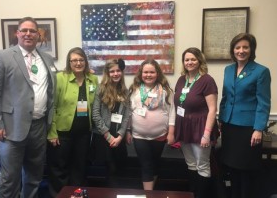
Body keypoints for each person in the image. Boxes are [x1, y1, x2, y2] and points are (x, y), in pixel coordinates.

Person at [0, 16, 57, 198]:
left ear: (38, 35)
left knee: (34, 176)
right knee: (10, 178)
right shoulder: (3, 56)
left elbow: (49, 91)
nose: (28, 34)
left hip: (39, 127)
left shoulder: (47, 59)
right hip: (11, 127)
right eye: (24, 30)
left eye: (32, 31)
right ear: (17, 33)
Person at [219, 33, 271, 198]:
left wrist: (258, 128)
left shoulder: (261, 71)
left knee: (246, 170)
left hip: (248, 129)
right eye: (238, 47)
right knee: (231, 168)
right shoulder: (228, 70)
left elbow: (263, 102)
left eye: (245, 47)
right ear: (233, 50)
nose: (241, 51)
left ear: (251, 49)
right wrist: (221, 119)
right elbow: (225, 96)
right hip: (229, 126)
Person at [47, 47, 98, 196]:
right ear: (69, 62)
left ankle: (76, 195)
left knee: (79, 167)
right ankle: (59, 195)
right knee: (59, 168)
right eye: (74, 60)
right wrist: (51, 132)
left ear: (86, 62)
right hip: (62, 132)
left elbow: (95, 104)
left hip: (83, 133)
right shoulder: (60, 78)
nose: (78, 63)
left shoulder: (92, 79)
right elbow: (52, 106)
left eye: (81, 60)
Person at [174, 47, 218, 198]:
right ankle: (192, 194)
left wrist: (206, 134)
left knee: (203, 165)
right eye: (187, 59)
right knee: (191, 164)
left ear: (199, 61)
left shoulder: (207, 80)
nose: (189, 62)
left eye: (193, 59)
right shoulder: (181, 80)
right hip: (184, 128)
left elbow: (212, 109)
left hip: (201, 129)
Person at [126, 59, 175, 190]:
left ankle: (151, 190)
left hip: (160, 135)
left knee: (155, 164)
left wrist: (171, 133)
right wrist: (128, 131)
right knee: (146, 165)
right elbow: (129, 112)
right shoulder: (134, 90)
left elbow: (172, 112)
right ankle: (149, 194)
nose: (148, 75)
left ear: (157, 73)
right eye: (145, 72)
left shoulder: (166, 90)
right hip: (139, 136)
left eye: (152, 72)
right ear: (141, 74)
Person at [92, 58, 130, 187]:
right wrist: (108, 136)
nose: (115, 74)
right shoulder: (100, 89)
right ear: (107, 73)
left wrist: (120, 136)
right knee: (109, 170)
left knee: (120, 169)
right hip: (103, 137)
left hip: (118, 137)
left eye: (118, 70)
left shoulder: (125, 90)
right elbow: (95, 115)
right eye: (112, 71)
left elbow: (126, 116)